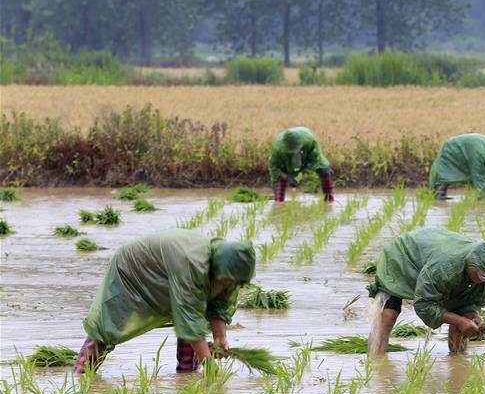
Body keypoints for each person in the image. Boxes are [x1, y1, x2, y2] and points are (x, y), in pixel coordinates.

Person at [74, 229, 256, 374]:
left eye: (234, 282)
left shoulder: (230, 270)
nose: (230, 285)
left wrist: (220, 338)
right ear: (219, 267)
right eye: (228, 280)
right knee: (110, 323)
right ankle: (81, 376)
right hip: (132, 269)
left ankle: (187, 373)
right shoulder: (191, 264)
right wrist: (209, 366)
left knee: (193, 313)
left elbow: (220, 305)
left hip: (166, 271)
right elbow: (188, 316)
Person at [366, 227, 485, 356]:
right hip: (404, 256)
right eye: (481, 274)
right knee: (389, 313)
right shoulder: (444, 268)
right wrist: (459, 320)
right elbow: (423, 304)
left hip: (434, 255)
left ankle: (458, 363)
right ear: (471, 264)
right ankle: (376, 365)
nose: (484, 279)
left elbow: (472, 303)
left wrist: (473, 316)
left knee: (465, 319)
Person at [429, 133, 485, 200]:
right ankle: (437, 195)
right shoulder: (481, 154)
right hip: (452, 149)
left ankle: (438, 196)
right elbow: (479, 178)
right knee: (444, 173)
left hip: (467, 149)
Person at [269, 127, 334, 203]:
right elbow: (274, 168)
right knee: (278, 197)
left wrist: (301, 176)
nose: (294, 152)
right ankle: (278, 204)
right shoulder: (277, 149)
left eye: (295, 149)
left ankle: (329, 200)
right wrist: (288, 178)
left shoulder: (309, 140)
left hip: (307, 154)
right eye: (291, 151)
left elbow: (315, 160)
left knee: (324, 171)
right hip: (285, 161)